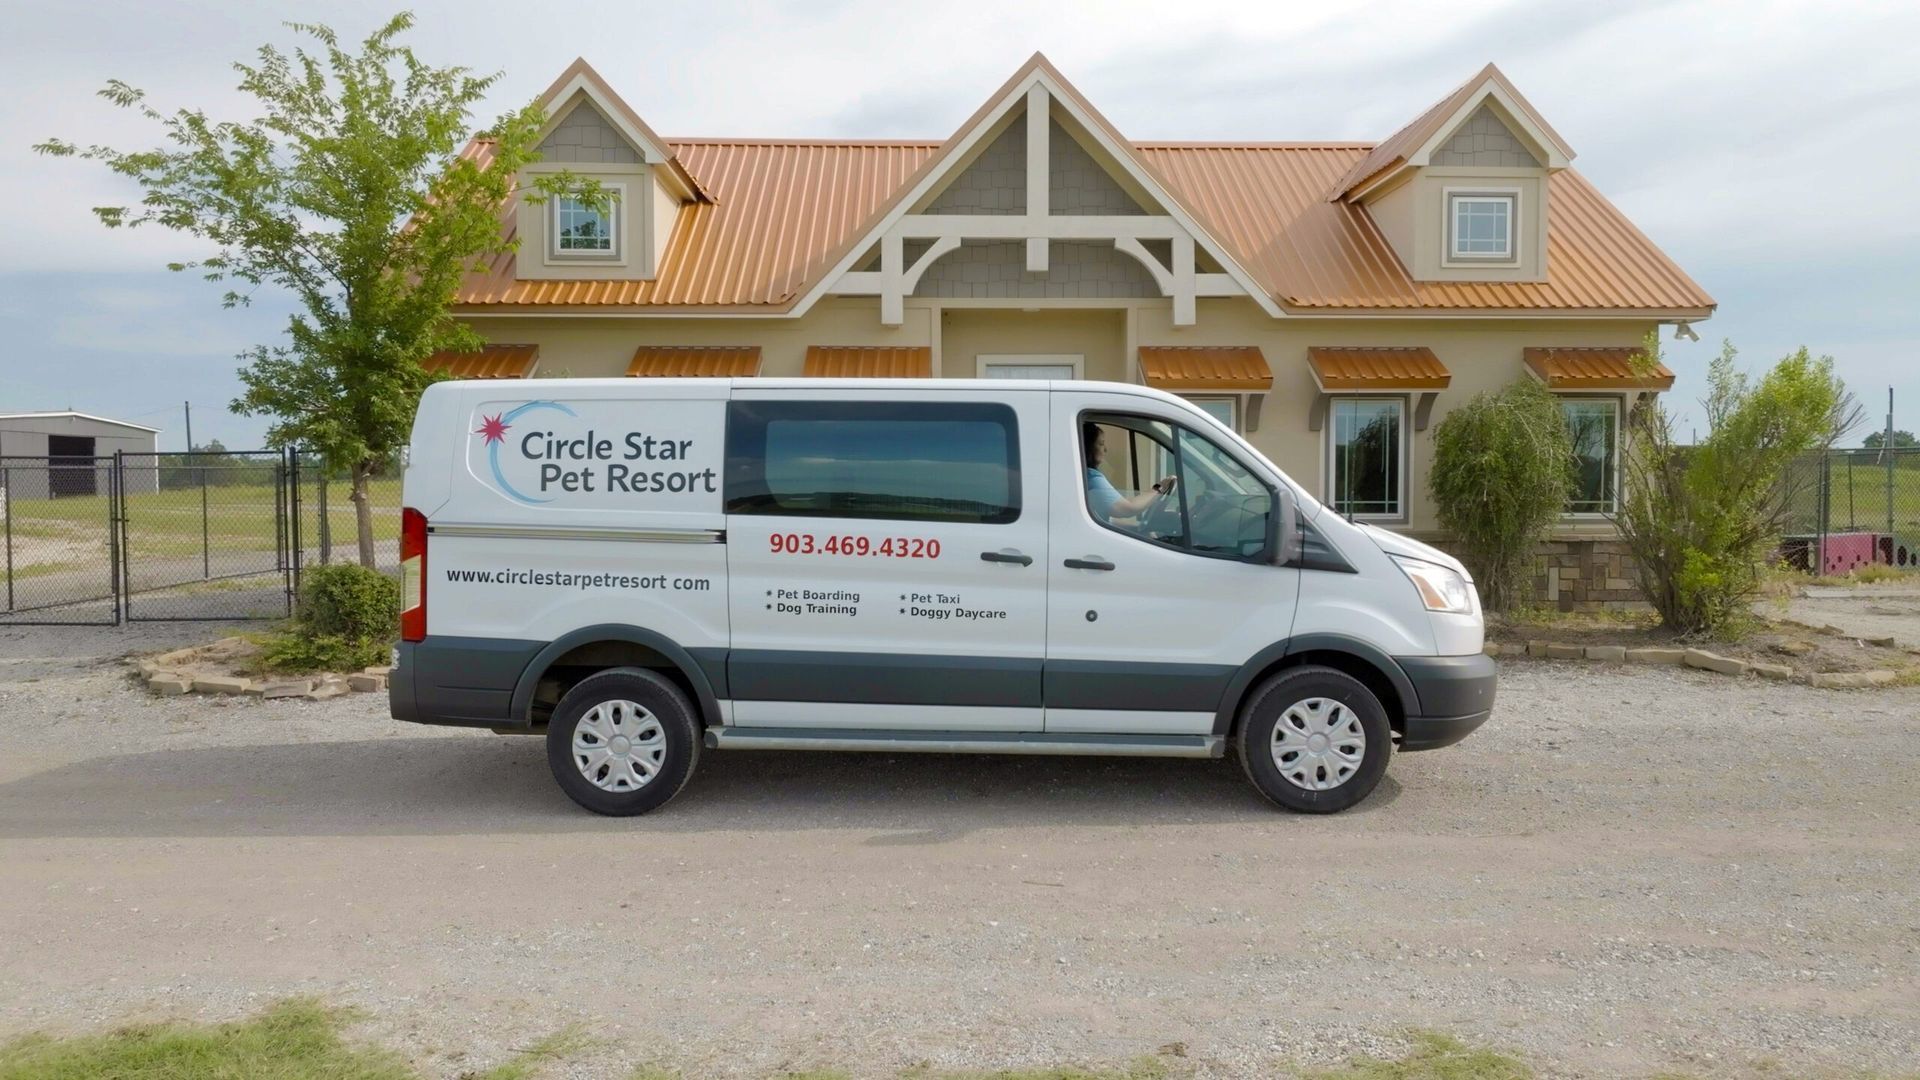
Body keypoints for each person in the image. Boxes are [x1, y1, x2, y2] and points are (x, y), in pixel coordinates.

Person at [1084, 423, 1176, 526]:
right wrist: (1159, 488)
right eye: (1101, 444)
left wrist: (1137, 528)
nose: (1105, 449)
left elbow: (1104, 519)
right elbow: (1127, 509)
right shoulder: (1092, 478)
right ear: (1088, 446)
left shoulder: (1085, 475)